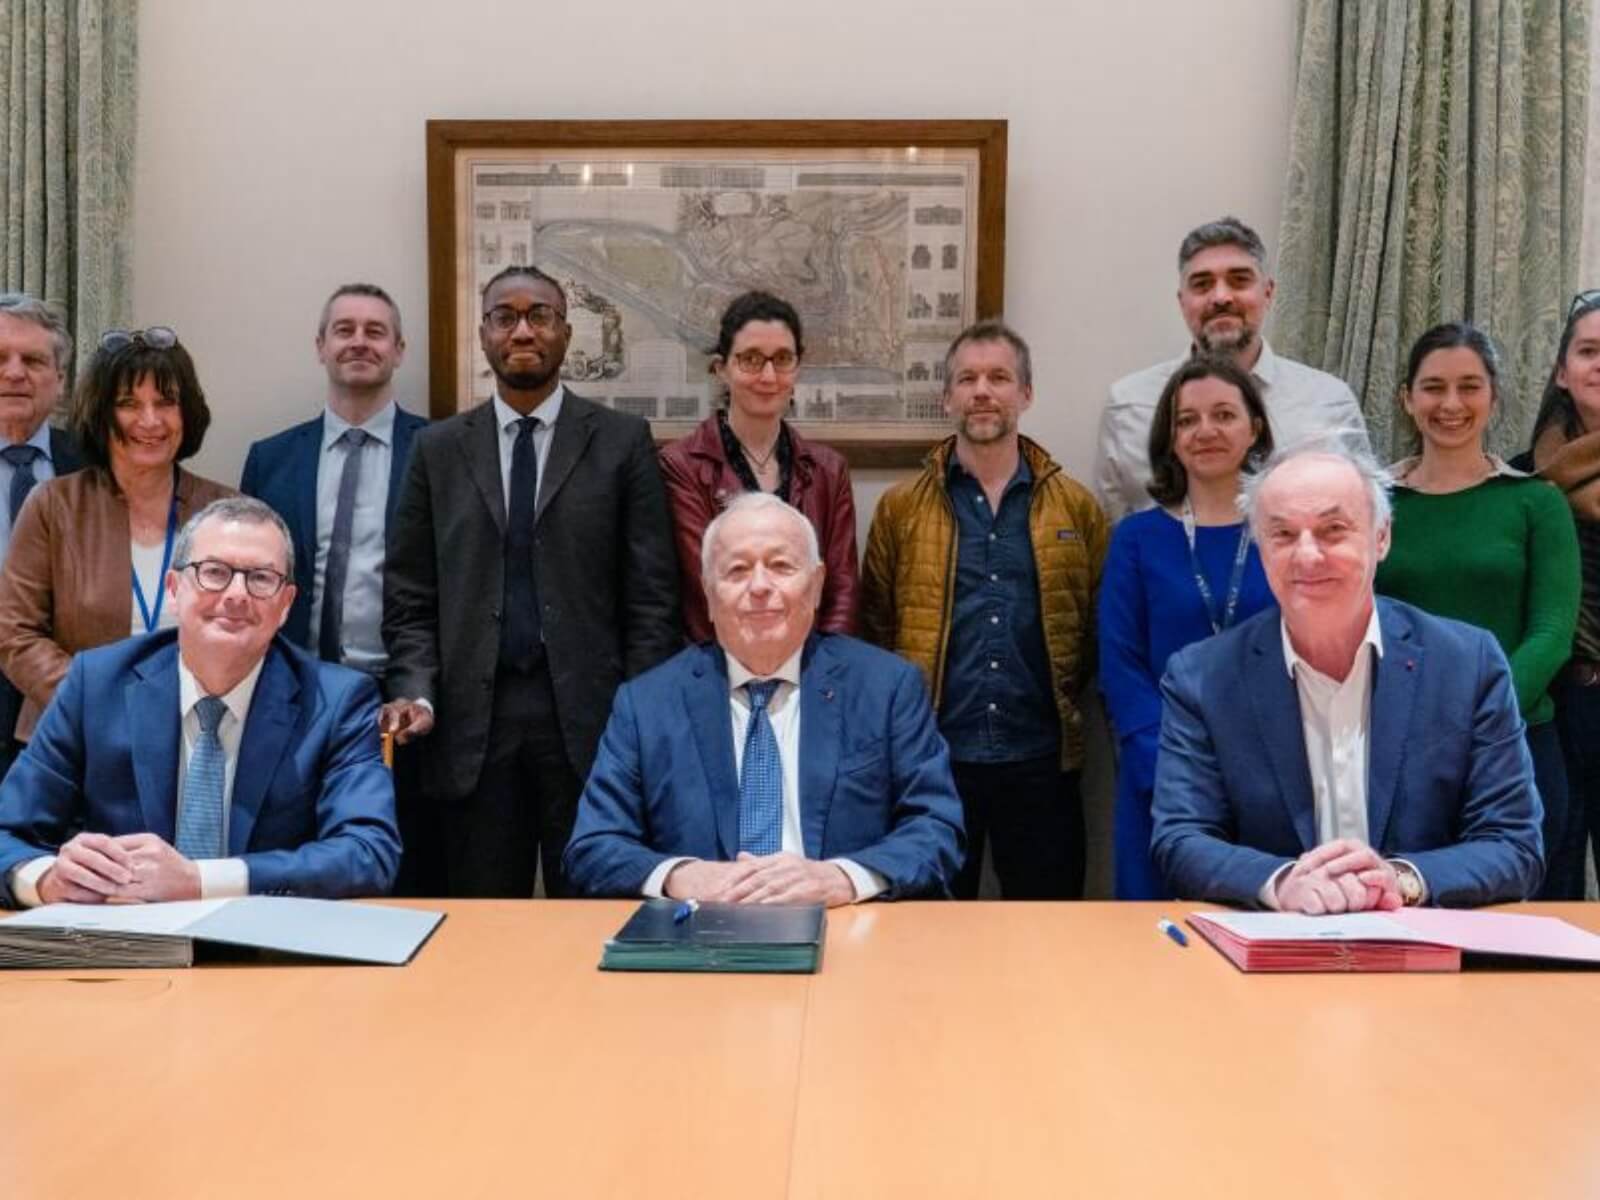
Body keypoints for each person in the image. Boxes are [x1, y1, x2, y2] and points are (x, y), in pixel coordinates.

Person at [383, 264, 680, 898]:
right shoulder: (437, 449)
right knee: (479, 928)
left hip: (591, 725)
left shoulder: (622, 442)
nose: (523, 329)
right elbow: (410, 596)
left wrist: (643, 713)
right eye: (505, 316)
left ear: (566, 333)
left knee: (597, 917)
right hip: (469, 725)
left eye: (539, 315)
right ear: (484, 335)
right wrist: (416, 690)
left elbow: (652, 597)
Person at [1151, 442, 1544, 911]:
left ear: (1381, 537)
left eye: (1332, 530)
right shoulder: (1202, 677)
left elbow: (1514, 843)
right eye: (1282, 535)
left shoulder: (1467, 663)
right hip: (1271, 953)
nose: (1307, 556)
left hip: (1424, 952)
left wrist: (1399, 881)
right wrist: (1281, 884)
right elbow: (1180, 839)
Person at [564, 493, 963, 904]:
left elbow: (936, 827)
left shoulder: (888, 688)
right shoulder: (646, 704)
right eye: (737, 570)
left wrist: (841, 878)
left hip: (848, 929)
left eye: (781, 566)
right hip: (697, 940)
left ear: (817, 584)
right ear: (708, 592)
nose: (759, 586)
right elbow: (593, 845)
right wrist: (679, 876)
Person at [0, 497, 400, 906]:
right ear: (174, 590)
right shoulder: (97, 685)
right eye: (214, 573)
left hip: (269, 952)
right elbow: (6, 833)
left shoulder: (336, 701)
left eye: (261, 578)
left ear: (285, 605)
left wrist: (198, 880)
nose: (236, 594)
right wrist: (47, 880)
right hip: (124, 944)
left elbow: (368, 853)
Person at [861, 320, 1106, 900]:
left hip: (1043, 761)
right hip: (932, 763)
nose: (982, 391)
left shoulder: (1076, 508)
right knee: (929, 940)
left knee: (1050, 937)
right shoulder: (900, 510)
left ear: (1026, 394)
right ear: (946, 397)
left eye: (999, 377)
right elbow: (875, 628)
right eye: (966, 379)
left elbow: (1094, 627)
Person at [239, 283, 435, 895]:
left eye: (376, 331)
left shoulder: (444, 449)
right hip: (297, 698)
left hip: (402, 706)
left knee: (407, 875)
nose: (359, 341)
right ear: (320, 346)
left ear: (399, 350)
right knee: (298, 874)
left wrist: (418, 690)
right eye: (344, 329)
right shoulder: (270, 459)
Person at [1375, 323, 1579, 898]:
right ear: (1406, 399)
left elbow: (1551, 633)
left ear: (1493, 396)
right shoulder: (1374, 504)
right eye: (1433, 387)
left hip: (1517, 749)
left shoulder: (1536, 501)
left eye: (1469, 386)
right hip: (1401, 750)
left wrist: (1478, 716)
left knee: (1525, 951)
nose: (1451, 404)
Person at [0, 327, 233, 747]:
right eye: (128, 404)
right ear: (102, 414)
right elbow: (15, 634)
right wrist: (101, 704)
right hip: (75, 741)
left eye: (166, 402)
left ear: (188, 413)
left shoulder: (227, 512)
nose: (149, 421)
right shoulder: (54, 504)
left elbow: (252, 628)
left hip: (195, 741)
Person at [1099, 357, 1277, 899]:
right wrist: (1168, 766)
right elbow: (1120, 663)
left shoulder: (1284, 531)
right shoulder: (1137, 538)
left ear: (1255, 429)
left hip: (1270, 776)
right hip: (1160, 776)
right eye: (1186, 420)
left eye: (1224, 415)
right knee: (1152, 949)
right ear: (1169, 438)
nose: (1205, 432)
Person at [1096, 216, 1369, 522]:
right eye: (1202, 284)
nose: (1221, 297)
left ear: (1268, 292)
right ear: (1182, 301)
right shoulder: (1128, 404)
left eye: (1239, 280)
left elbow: (1360, 520)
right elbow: (1114, 525)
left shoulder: (1329, 401)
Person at [659, 290, 858, 642]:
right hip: (718, 666)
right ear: (722, 369)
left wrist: (823, 671)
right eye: (750, 359)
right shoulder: (680, 466)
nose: (768, 376)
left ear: (798, 367)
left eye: (782, 359)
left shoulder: (829, 469)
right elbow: (709, 583)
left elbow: (841, 588)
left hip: (813, 670)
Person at [1528, 288, 1600, 894]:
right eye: (1588, 350)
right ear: (1562, 371)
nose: (1599, 364)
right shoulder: (1526, 477)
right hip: (1556, 703)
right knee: (1553, 885)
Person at [0, 295, 85, 775]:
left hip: (63, 705)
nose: (14, 373)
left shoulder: (101, 467)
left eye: (32, 360)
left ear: (61, 380)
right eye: (0, 359)